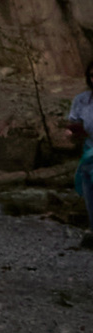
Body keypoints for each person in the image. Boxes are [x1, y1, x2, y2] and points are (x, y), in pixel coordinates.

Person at [66, 44, 93, 237]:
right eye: (92, 76)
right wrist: (71, 132)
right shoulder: (82, 100)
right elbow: (73, 123)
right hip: (89, 151)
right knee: (89, 191)